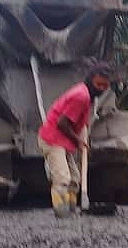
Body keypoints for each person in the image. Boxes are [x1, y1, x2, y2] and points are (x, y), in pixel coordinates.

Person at [38, 62, 112, 217]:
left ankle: (72, 211)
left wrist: (81, 134)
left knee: (74, 178)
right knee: (62, 178)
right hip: (52, 139)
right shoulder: (81, 96)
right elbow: (62, 123)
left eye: (105, 86)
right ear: (91, 79)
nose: (101, 89)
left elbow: (79, 120)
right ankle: (61, 213)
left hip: (63, 140)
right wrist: (78, 141)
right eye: (99, 84)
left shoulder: (87, 95)